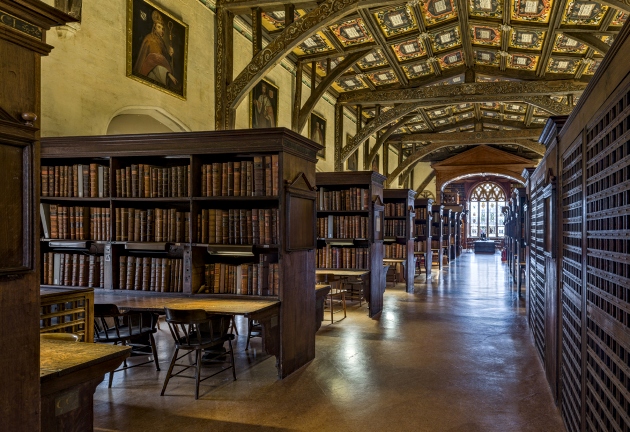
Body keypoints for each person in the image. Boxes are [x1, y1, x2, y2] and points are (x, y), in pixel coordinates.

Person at [133, 10, 179, 90]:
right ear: (154, 27)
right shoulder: (149, 39)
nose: (162, 30)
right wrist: (168, 74)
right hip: (152, 75)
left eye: (163, 28)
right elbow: (152, 61)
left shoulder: (162, 42)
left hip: (161, 77)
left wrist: (169, 55)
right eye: (159, 27)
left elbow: (164, 61)